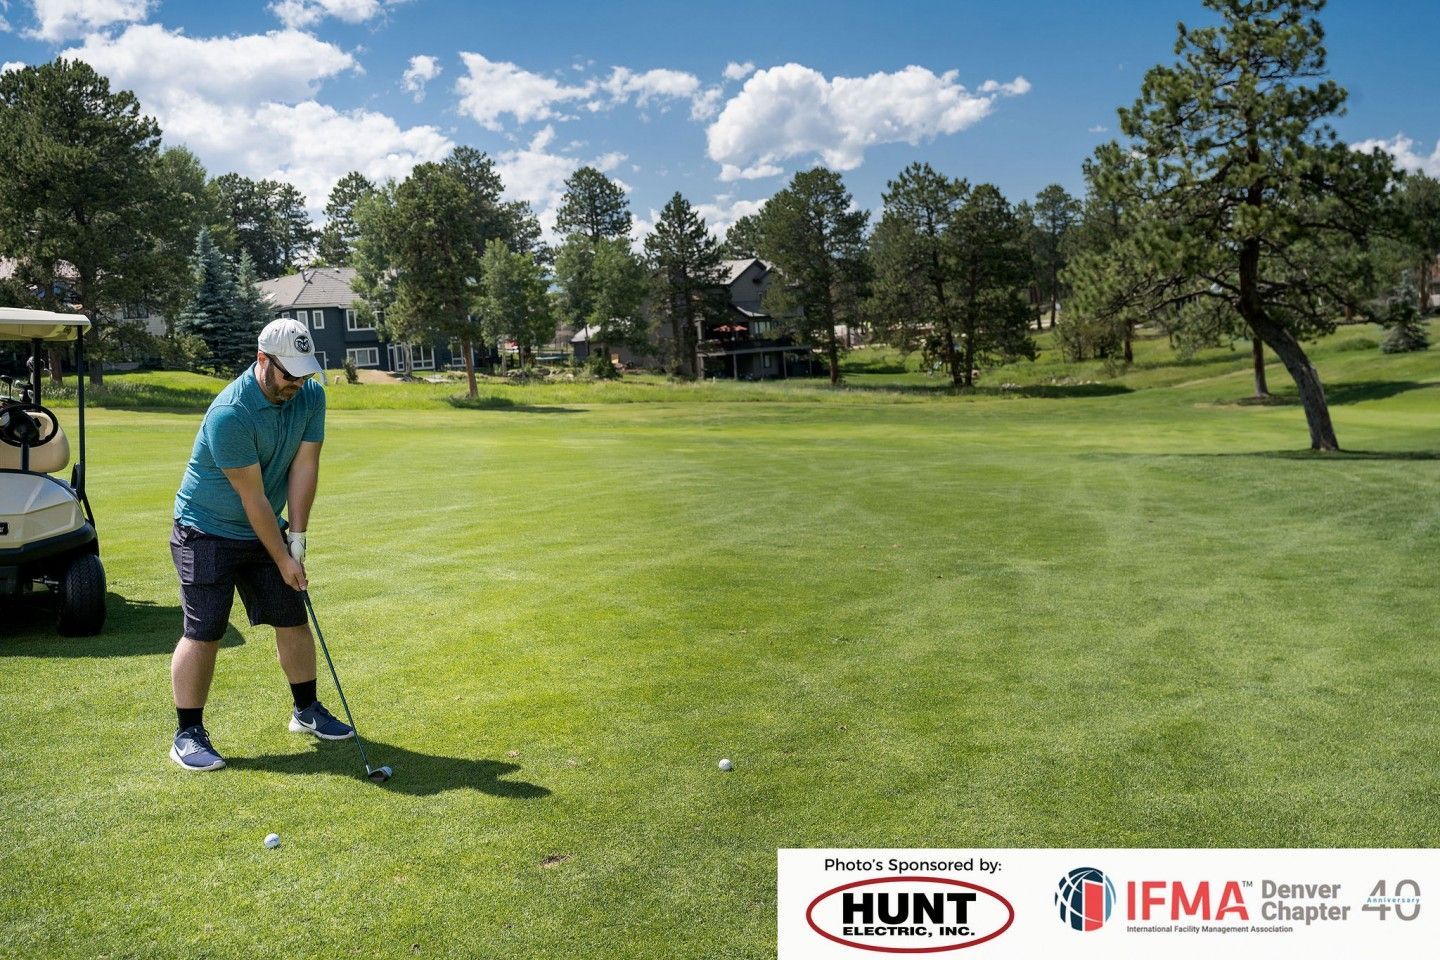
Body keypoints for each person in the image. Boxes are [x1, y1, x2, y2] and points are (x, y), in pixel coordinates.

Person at [168, 318, 352, 771]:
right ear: (262, 361)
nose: (297, 384)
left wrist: (299, 539)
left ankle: (305, 711)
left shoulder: (310, 396)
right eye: (288, 374)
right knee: (205, 629)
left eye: (304, 374)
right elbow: (251, 497)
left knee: (291, 617)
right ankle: (187, 733)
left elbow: (304, 467)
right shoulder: (230, 413)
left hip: (265, 524)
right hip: (206, 529)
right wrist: (282, 555)